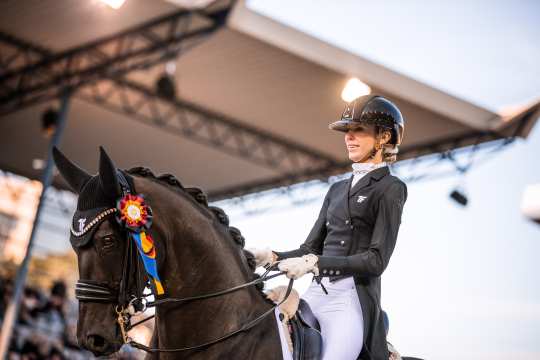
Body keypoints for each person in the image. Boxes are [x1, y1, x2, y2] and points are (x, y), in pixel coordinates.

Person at [249, 94, 408, 360]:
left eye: (359, 130)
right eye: (347, 131)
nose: (349, 136)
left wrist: (315, 264)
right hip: (315, 294)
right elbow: (308, 248)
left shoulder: (390, 188)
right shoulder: (336, 190)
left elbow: (376, 260)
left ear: (383, 138)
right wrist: (270, 257)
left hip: (349, 302)